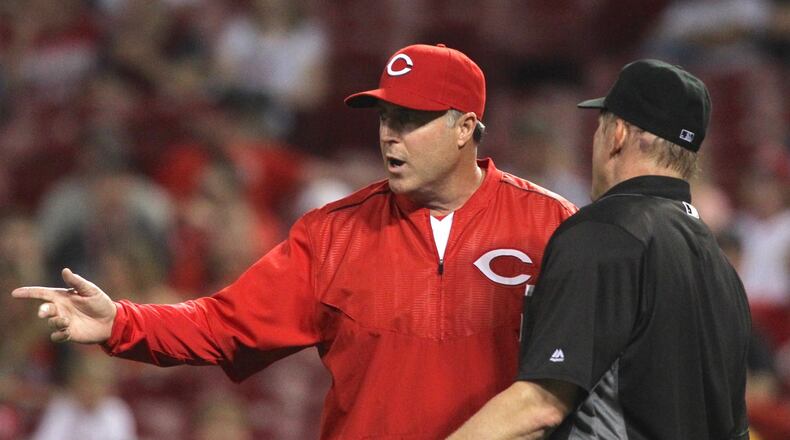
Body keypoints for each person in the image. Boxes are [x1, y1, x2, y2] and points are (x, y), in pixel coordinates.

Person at [12, 43, 577, 439]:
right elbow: (223, 325)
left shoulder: (549, 225)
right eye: (384, 116)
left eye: (410, 119)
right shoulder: (334, 234)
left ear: (463, 127)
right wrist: (121, 324)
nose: (388, 134)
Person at [449, 59, 752, 439]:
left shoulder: (605, 232)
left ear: (619, 134)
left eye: (600, 126)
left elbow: (540, 406)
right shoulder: (720, 263)